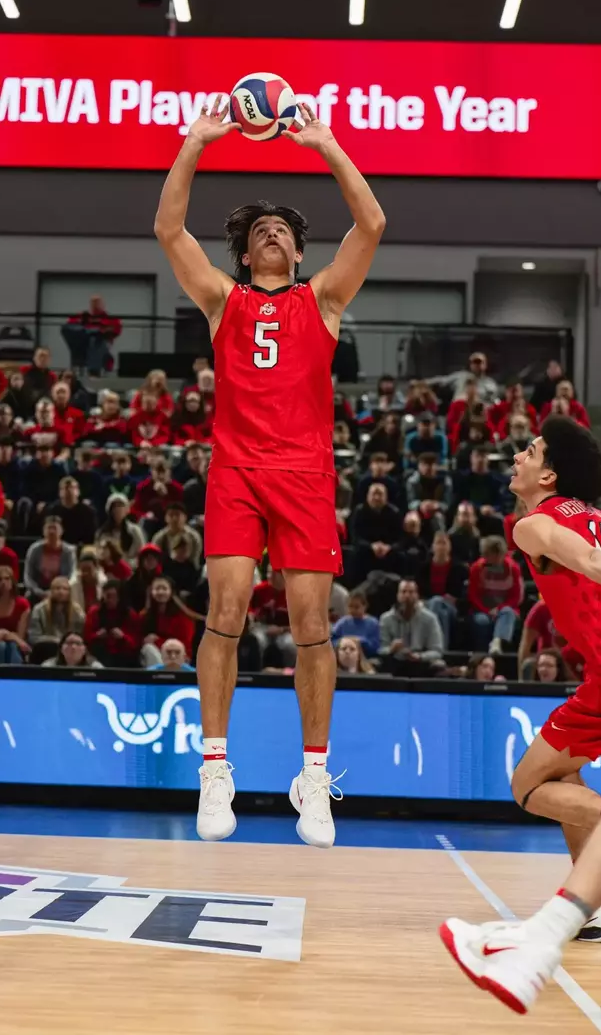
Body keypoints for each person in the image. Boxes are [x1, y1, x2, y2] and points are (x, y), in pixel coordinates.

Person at [155, 96, 384, 846]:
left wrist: (326, 145)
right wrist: (195, 143)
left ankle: (312, 777)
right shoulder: (223, 300)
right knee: (225, 609)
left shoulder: (324, 299)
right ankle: (214, 767)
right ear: (248, 256)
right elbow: (168, 230)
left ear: (298, 250)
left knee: (312, 623)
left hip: (304, 474)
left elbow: (371, 225)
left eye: (283, 228)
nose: (273, 232)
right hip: (237, 470)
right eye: (261, 231)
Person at [439, 415, 601, 1011]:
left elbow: (593, 564)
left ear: (549, 475)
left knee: (527, 786)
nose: (517, 457)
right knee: (562, 772)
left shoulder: (533, 525)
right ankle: (593, 910)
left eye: (529, 450)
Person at [467, 535, 523, 653]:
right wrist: (487, 610)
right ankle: (481, 653)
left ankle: (497, 643)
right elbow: (473, 595)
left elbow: (517, 597)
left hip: (505, 608)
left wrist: (499, 609)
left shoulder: (513, 568)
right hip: (482, 610)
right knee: (482, 621)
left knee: (507, 613)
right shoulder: (477, 568)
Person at [417, 531, 469, 650]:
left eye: (444, 543)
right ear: (432, 547)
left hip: (451, 607)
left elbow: (466, 598)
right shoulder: (423, 568)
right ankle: (442, 650)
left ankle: (433, 648)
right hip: (427, 604)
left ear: (449, 547)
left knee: (439, 604)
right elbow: (419, 592)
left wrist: (456, 601)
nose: (441, 546)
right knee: (440, 610)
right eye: (438, 543)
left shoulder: (460, 569)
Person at [379, 580, 444, 666]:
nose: (407, 595)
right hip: (394, 661)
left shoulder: (430, 618)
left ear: (417, 595)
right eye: (403, 592)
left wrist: (420, 656)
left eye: (411, 592)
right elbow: (380, 649)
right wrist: (391, 649)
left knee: (439, 664)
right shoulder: (385, 618)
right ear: (397, 595)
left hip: (421, 662)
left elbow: (437, 650)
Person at [349, 482, 403, 581]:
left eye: (380, 494)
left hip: (388, 551)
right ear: (367, 496)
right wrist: (371, 546)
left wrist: (389, 547)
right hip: (366, 550)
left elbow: (400, 539)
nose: (377, 498)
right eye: (374, 494)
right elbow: (355, 537)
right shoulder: (359, 512)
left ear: (386, 497)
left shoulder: (394, 513)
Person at [84, 579, 141, 668]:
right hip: (100, 654)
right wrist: (96, 635)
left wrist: (123, 637)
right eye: (107, 596)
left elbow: (136, 643)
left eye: (113, 596)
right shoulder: (94, 612)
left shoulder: (130, 614)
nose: (109, 600)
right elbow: (86, 638)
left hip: (124, 656)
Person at [141, 577, 197, 666]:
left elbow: (184, 643)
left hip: (178, 656)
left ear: (171, 592)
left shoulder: (182, 616)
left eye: (164, 589)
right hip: (155, 654)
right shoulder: (148, 614)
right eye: (157, 589)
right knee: (147, 649)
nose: (160, 592)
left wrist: (157, 641)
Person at [61, 294, 122, 376]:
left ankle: (94, 372)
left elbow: (117, 329)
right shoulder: (82, 316)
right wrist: (83, 326)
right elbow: (68, 326)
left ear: (103, 304)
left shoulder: (109, 318)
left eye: (97, 302)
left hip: (100, 343)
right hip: (81, 345)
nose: (95, 305)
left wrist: (101, 330)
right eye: (93, 302)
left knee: (95, 339)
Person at [27, 576, 85, 662]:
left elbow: (81, 635)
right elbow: (33, 637)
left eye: (65, 589)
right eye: (57, 588)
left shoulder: (77, 611)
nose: (61, 592)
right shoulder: (39, 609)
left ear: (69, 592)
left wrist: (66, 643)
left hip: (70, 648)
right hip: (45, 649)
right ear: (51, 591)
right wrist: (56, 641)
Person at [23, 515, 76, 601]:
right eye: (49, 528)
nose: (51, 531)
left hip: (61, 589)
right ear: (43, 531)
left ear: (61, 531)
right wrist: (40, 592)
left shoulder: (69, 552)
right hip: (38, 590)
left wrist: (60, 590)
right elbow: (28, 577)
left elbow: (72, 575)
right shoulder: (34, 549)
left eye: (55, 528)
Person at [17, 446, 65, 533]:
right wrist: (36, 502)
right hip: (33, 500)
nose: (44, 455)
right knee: (24, 502)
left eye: (47, 452)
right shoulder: (30, 469)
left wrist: (46, 503)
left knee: (53, 506)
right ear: (37, 454)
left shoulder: (59, 470)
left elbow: (61, 491)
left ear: (52, 454)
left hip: (52, 500)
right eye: (41, 452)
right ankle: (22, 534)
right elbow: (25, 490)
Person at [45, 476, 98, 548]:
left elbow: (92, 535)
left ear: (78, 491)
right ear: (60, 492)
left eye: (72, 488)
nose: (69, 490)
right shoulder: (53, 511)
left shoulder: (88, 511)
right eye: (65, 488)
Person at [330, 590, 380, 659]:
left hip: (366, 658)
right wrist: (344, 642)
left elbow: (375, 647)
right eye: (350, 606)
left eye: (356, 607)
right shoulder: (342, 622)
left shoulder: (373, 623)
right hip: (343, 658)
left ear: (365, 606)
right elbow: (332, 641)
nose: (353, 610)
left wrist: (361, 641)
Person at [151, 501, 203, 568]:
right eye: (171, 515)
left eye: (177, 514)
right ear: (165, 518)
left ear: (185, 517)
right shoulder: (159, 537)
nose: (174, 518)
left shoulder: (194, 536)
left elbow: (195, 560)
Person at [98, 494, 145, 565]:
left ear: (127, 509)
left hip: (131, 567)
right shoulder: (103, 533)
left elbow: (142, 552)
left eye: (121, 505)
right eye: (114, 506)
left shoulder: (135, 531)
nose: (118, 509)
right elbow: (99, 553)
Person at [69, 546, 106, 612]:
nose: (86, 573)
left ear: (96, 567)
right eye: (83, 570)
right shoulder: (73, 585)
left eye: (89, 569)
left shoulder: (104, 583)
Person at [448, 501, 481, 565]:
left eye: (468, 515)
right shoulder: (451, 536)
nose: (466, 519)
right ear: (457, 517)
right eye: (463, 515)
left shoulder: (477, 535)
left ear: (474, 517)